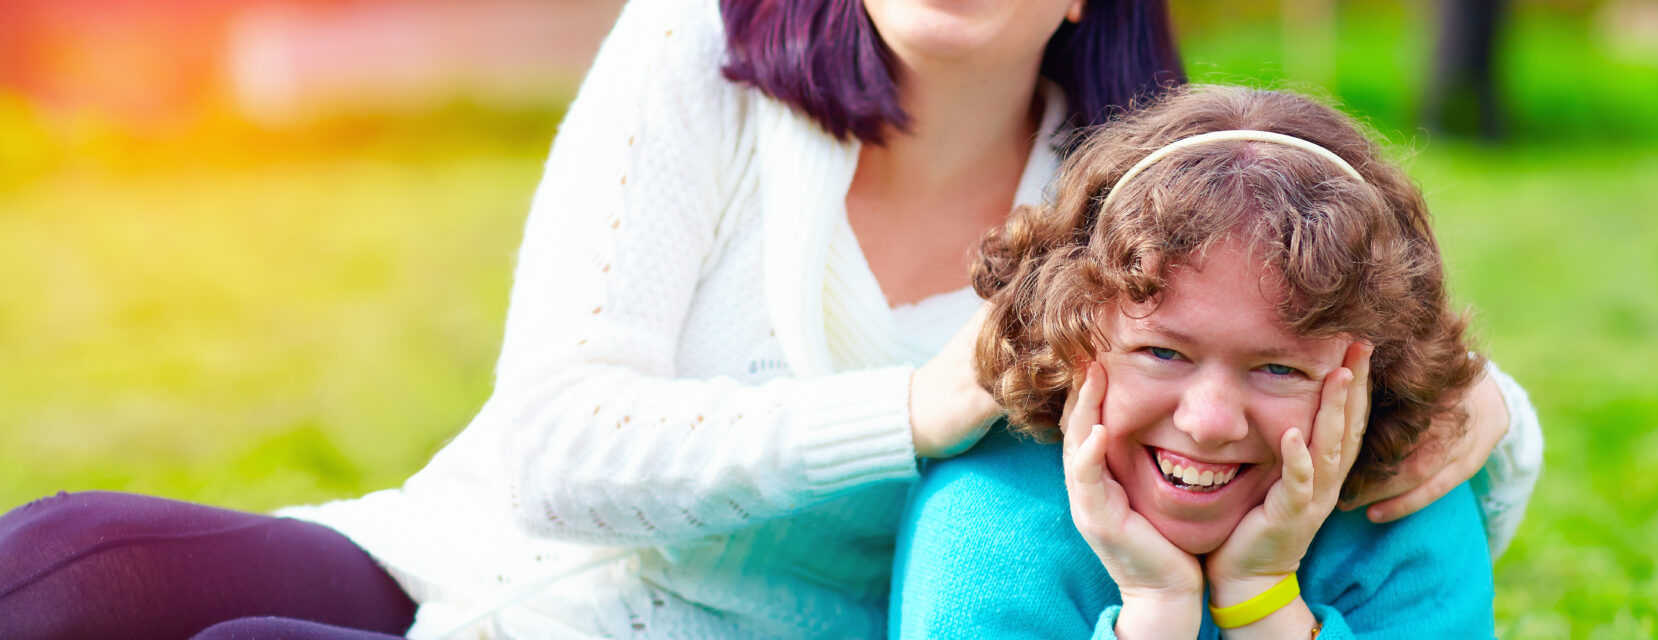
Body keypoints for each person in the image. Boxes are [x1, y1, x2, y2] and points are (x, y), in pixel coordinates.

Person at [0, 1, 1540, 638]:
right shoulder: (705, 51)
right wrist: (926, 400)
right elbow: (550, 445)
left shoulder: (1141, 195)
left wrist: (1481, 409)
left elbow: (1353, 355)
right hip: (473, 560)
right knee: (59, 567)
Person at [892, 86, 1509, 638]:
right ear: (1073, 332)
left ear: (1375, 373)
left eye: (1279, 369)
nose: (1210, 423)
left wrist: (1263, 600)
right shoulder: (986, 528)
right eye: (1161, 352)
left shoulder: (1405, 520)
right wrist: (1155, 615)